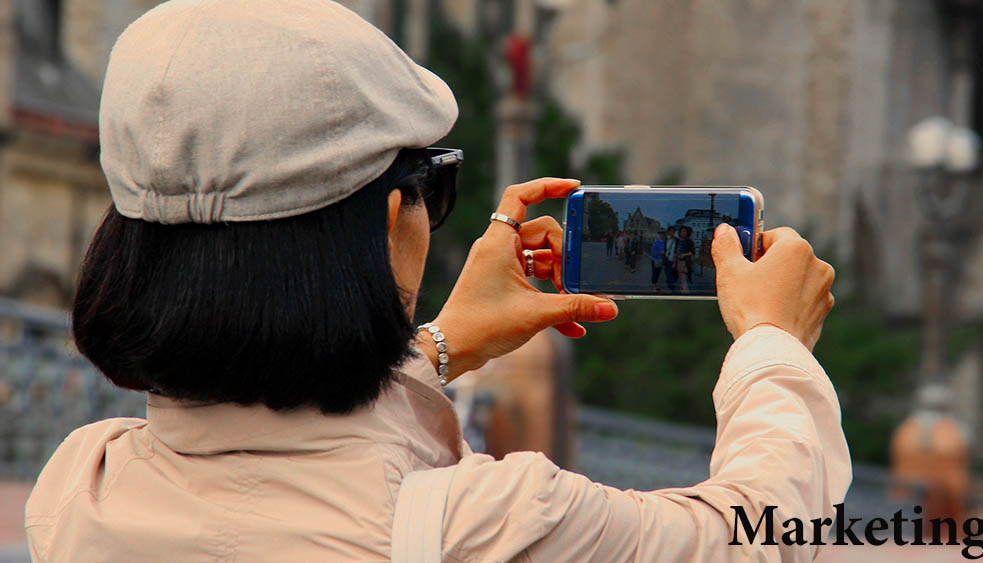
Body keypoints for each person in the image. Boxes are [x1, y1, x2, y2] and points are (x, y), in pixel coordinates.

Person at [26, 2, 848, 561]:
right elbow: (762, 535)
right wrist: (773, 347)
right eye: (433, 185)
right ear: (392, 219)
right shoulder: (487, 525)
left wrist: (437, 348)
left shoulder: (80, 487)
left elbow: (287, 459)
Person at [675, 226, 696, 293]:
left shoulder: (689, 241)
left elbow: (692, 252)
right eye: (681, 231)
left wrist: (684, 255)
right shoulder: (678, 241)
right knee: (681, 278)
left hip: (686, 262)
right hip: (679, 262)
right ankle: (683, 290)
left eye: (684, 231)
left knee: (685, 277)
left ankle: (685, 292)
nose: (683, 233)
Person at [664, 225, 679, 291]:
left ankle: (672, 286)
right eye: (670, 231)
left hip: (674, 259)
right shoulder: (666, 240)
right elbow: (665, 248)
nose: (671, 233)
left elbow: (677, 250)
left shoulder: (677, 240)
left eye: (673, 231)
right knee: (668, 273)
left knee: (673, 274)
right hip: (667, 259)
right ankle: (671, 287)